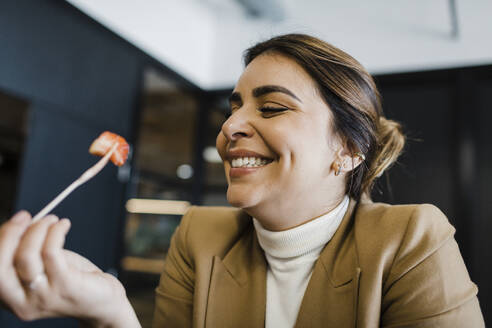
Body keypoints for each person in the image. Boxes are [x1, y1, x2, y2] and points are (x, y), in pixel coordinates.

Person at [0, 34, 485, 327]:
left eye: (272, 108)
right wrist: (110, 311)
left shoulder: (412, 240)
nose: (230, 127)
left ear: (348, 150)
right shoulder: (200, 233)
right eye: (235, 106)